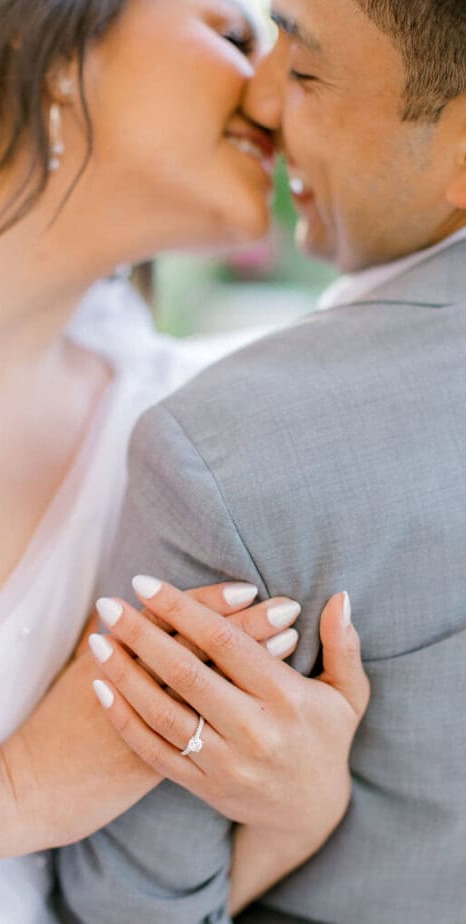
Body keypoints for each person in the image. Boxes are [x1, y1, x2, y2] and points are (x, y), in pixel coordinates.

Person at [0, 1, 370, 920]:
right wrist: (18, 790)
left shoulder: (182, 435)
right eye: (231, 35)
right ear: (43, 38)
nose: (272, 93)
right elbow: (46, 794)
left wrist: (297, 809)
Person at [56, 0, 466, 922]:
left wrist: (296, 825)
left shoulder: (225, 460)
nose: (263, 96)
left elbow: (126, 910)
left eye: (307, 68)